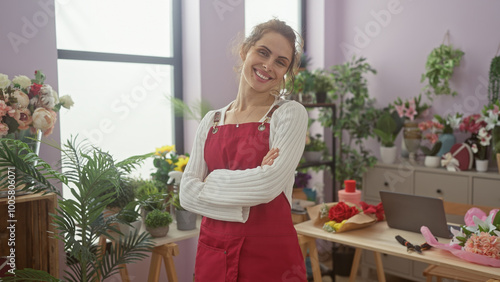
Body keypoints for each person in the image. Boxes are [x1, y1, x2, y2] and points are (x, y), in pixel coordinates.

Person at [180, 19, 308, 282]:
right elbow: (187, 195)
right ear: (245, 50)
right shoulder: (211, 120)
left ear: (286, 72)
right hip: (214, 253)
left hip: (270, 257)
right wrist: (256, 174)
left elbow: (267, 186)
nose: (268, 66)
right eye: (263, 52)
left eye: (280, 62)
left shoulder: (288, 114)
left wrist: (210, 180)